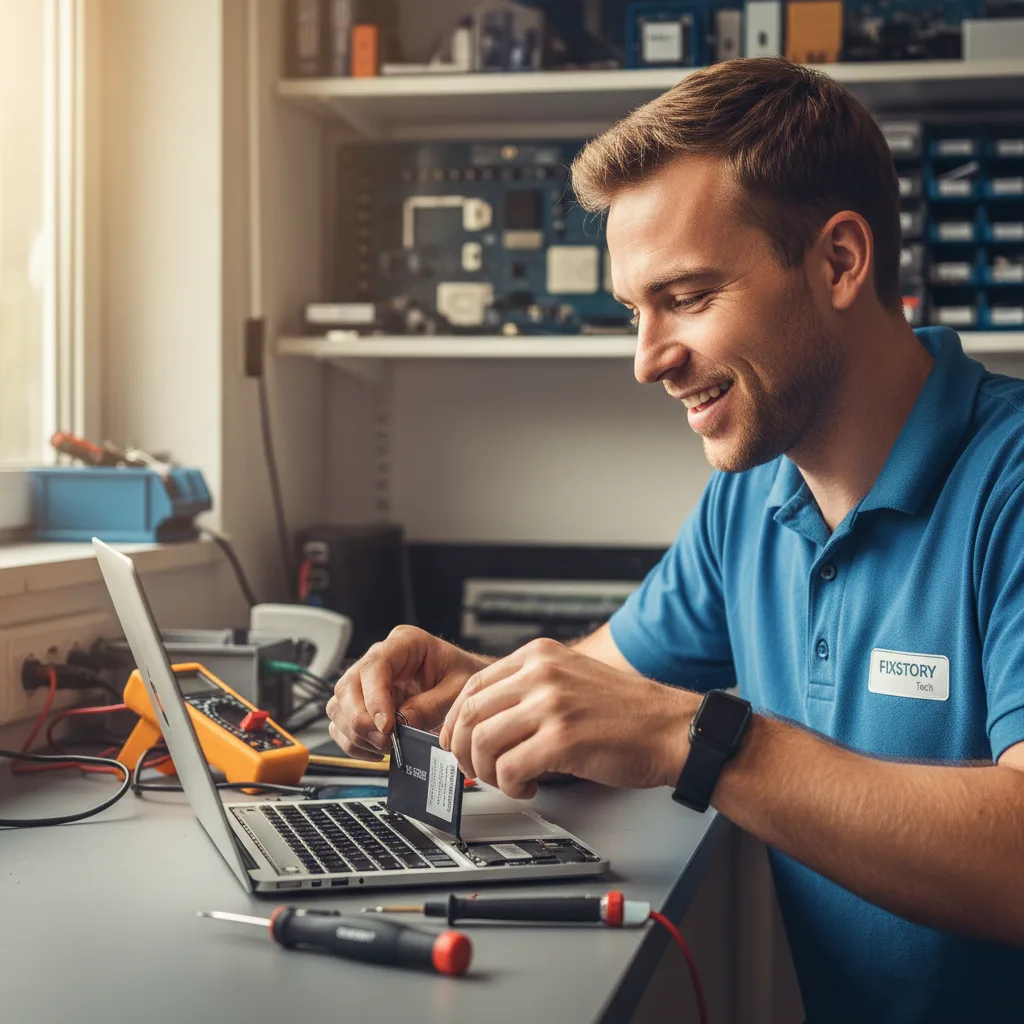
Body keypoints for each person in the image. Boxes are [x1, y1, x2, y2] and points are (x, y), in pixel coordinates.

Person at [325, 57, 1024, 1021]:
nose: (647, 360)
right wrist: (472, 687)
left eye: (687, 298)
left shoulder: (1011, 484)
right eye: (633, 311)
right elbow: (601, 695)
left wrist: (694, 739)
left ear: (839, 262)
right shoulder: (751, 501)